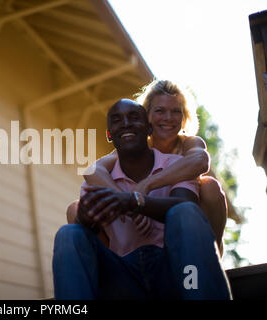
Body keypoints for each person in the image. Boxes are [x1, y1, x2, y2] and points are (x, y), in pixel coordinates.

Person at [52, 99, 232, 299]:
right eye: (117, 120)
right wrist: (85, 220)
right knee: (69, 233)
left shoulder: (176, 166)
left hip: (178, 272)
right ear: (109, 135)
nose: (126, 123)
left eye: (134, 117)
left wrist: (135, 202)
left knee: (186, 212)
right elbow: (90, 237)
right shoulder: (99, 180)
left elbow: (185, 205)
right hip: (123, 280)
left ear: (148, 129)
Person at [67, 80, 227, 256]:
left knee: (210, 186)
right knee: (75, 209)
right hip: (141, 225)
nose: (168, 118)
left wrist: (146, 185)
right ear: (147, 116)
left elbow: (200, 161)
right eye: (160, 111)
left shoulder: (188, 143)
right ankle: (109, 266)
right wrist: (128, 202)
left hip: (181, 216)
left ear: (184, 117)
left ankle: (213, 251)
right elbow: (93, 170)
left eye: (176, 111)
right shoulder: (137, 146)